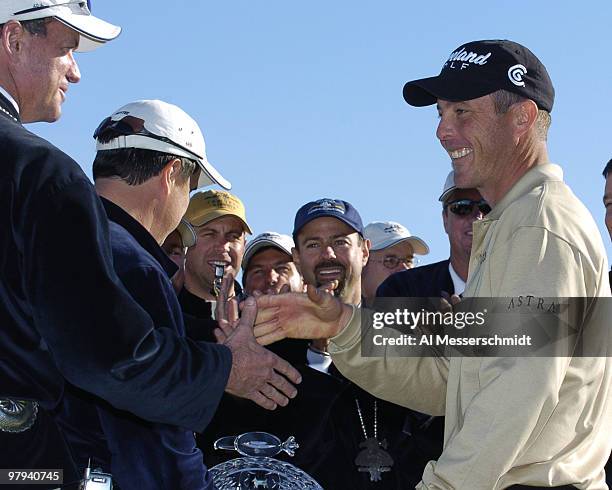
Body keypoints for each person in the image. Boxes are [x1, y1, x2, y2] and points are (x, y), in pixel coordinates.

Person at [253, 40, 612, 489]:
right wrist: (343, 328)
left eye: (462, 112)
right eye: (441, 113)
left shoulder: (537, 229)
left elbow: (515, 398)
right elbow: (455, 382)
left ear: (521, 118)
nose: (442, 131)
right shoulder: (513, 225)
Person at [0, 4, 299, 483]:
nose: (75, 72)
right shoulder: (42, 175)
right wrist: (225, 369)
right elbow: (111, 360)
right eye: (67, 49)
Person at [378, 171, 488, 299]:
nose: (477, 217)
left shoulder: (516, 286)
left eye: (486, 206)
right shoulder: (402, 289)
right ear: (445, 220)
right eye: (462, 207)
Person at [179, 190, 250, 341]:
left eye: (233, 236)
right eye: (210, 234)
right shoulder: (162, 312)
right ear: (184, 241)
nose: (223, 246)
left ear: (244, 246)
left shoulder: (259, 316)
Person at [361, 220, 429, 303]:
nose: (405, 269)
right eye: (391, 261)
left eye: (408, 261)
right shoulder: (342, 310)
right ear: (362, 262)